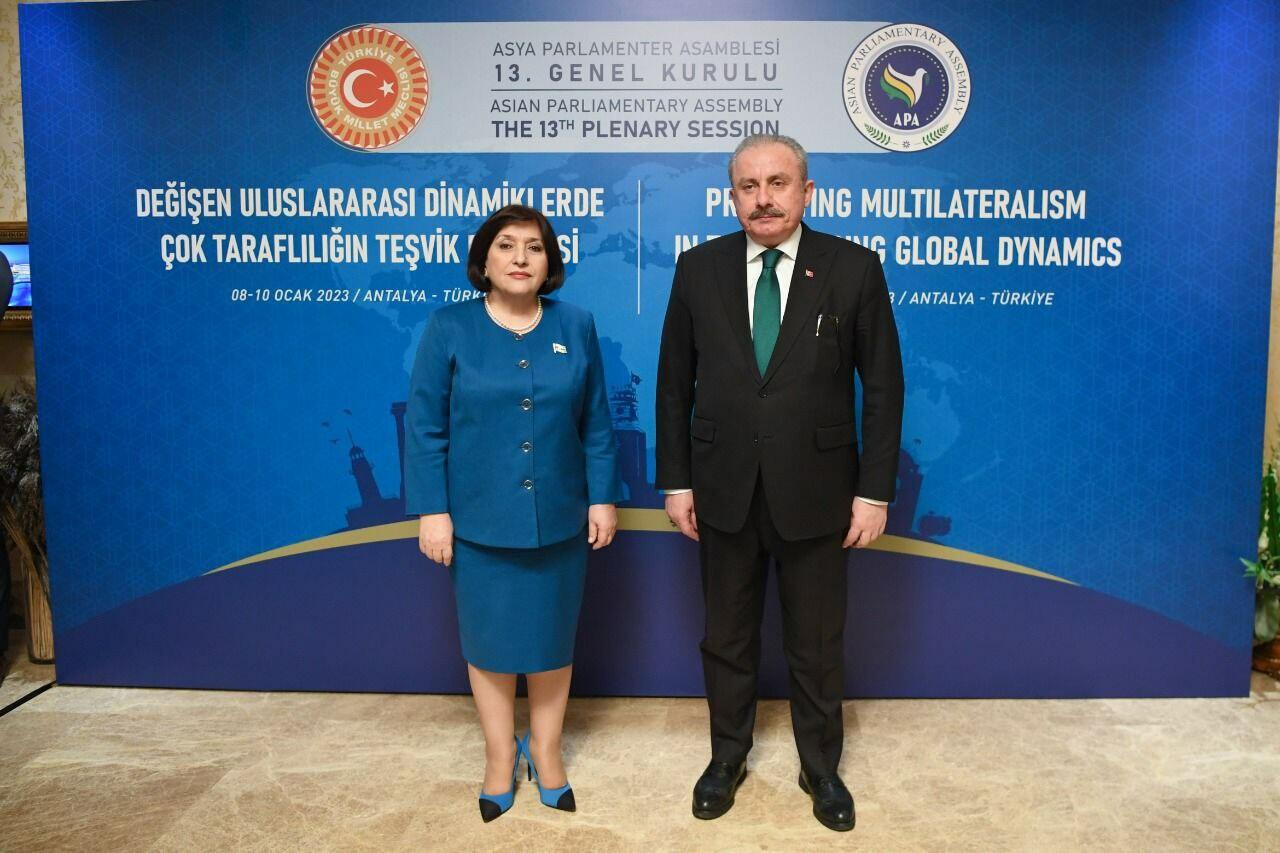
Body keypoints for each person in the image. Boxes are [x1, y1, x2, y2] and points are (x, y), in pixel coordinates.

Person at [656, 134, 905, 832]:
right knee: (726, 638)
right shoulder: (698, 267)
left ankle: (819, 766)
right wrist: (676, 481)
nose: (763, 199)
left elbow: (883, 386)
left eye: (778, 183)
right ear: (732, 195)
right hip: (722, 488)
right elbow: (674, 385)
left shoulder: (853, 268)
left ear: (806, 191)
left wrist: (874, 492)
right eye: (748, 186)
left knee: (816, 642)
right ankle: (726, 758)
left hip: (820, 491)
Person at [405, 204, 623, 822]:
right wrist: (433, 511)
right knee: (491, 644)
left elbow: (596, 422)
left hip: (561, 517)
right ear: (485, 259)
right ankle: (500, 757)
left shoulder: (576, 324)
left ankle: (546, 753)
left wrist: (602, 497)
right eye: (506, 245)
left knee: (552, 640)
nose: (521, 258)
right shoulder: (449, 327)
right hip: (478, 523)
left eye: (534, 246)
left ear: (550, 262)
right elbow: (425, 428)